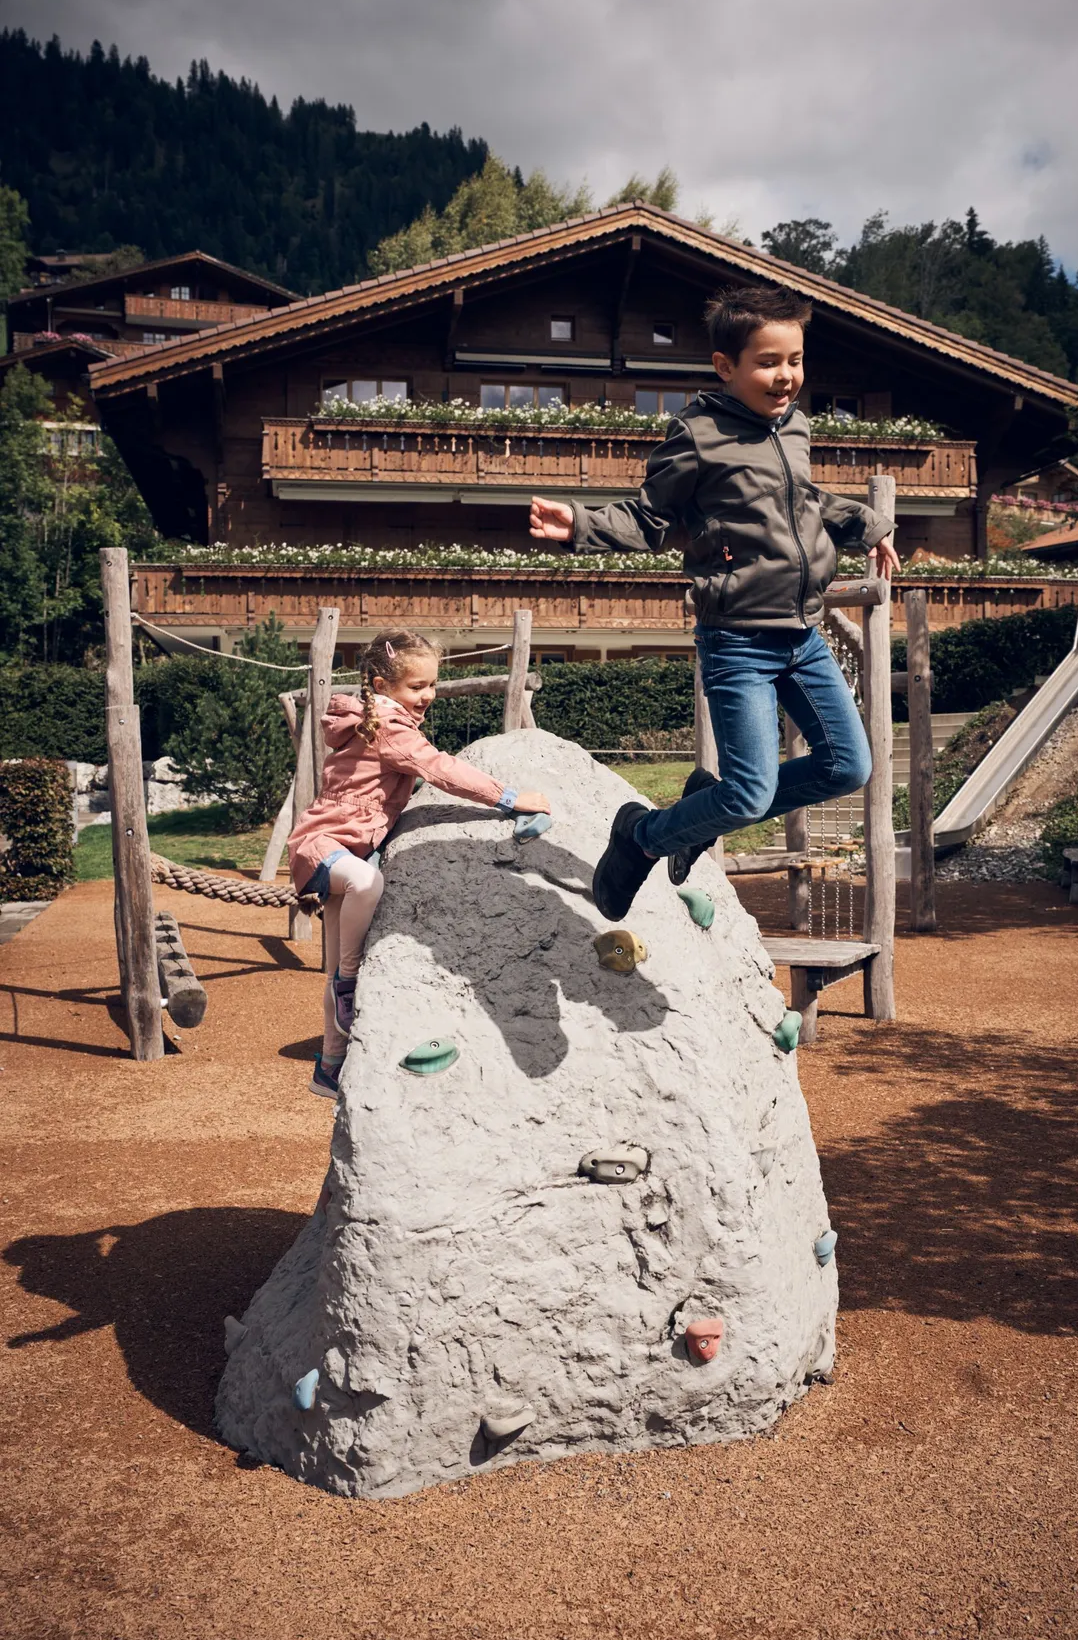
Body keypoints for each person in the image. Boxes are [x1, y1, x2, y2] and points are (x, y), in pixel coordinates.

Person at [529, 282, 901, 921]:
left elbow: (801, 503)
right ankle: (641, 838)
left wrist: (868, 524)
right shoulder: (697, 436)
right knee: (750, 796)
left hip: (803, 635)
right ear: (726, 367)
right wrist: (580, 525)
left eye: (795, 360)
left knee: (847, 766)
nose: (785, 377)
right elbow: (648, 517)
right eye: (768, 362)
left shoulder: (795, 428)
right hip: (738, 641)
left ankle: (694, 815)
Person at [287, 630, 550, 1097]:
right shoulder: (390, 727)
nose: (427, 695)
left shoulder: (377, 719)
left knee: (330, 963)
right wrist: (509, 798)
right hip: (325, 846)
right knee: (366, 886)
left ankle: (328, 1067)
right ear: (382, 686)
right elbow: (440, 769)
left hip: (348, 847)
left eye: (431, 684)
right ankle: (350, 981)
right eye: (416, 686)